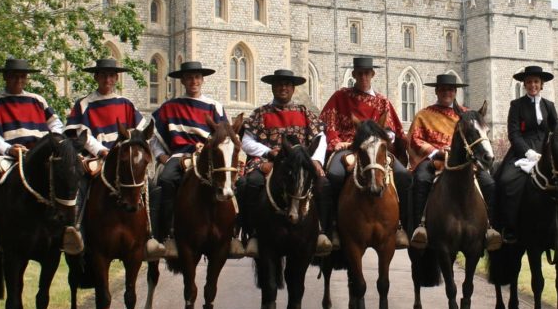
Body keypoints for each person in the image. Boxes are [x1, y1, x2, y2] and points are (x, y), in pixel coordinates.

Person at [0, 58, 76, 257]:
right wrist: (8, 149)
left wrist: (47, 145)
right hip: (6, 156)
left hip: (37, 156)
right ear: (5, 77)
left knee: (64, 174)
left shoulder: (37, 100)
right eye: (14, 76)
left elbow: (56, 126)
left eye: (22, 76)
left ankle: (66, 229)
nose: (18, 80)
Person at [65, 58, 161, 260]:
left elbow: (140, 132)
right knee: (80, 184)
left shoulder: (125, 104)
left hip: (123, 159)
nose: (107, 79)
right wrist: (102, 152)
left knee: (149, 187)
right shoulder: (84, 105)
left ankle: (151, 235)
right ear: (96, 77)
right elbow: (83, 134)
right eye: (103, 75)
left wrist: (132, 150)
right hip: (97, 158)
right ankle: (77, 231)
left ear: (116, 78)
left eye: (111, 75)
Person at [319, 56, 412, 248]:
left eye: (366, 74)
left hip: (376, 149)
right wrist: (336, 141)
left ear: (372, 75)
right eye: (359, 73)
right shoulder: (340, 97)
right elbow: (327, 123)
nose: (363, 77)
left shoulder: (382, 102)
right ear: (353, 74)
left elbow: (391, 131)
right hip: (347, 147)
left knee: (403, 175)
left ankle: (401, 226)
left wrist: (381, 140)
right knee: (334, 176)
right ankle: (333, 226)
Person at [238, 68, 331, 258]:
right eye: (279, 84)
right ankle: (252, 233)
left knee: (323, 184)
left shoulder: (304, 112)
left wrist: (315, 161)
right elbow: (246, 141)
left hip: (300, 165)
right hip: (266, 162)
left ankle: (320, 230)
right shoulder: (260, 113)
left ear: (293, 89)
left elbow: (320, 137)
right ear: (272, 87)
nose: (283, 88)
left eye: (287, 84)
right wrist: (267, 152)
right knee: (250, 183)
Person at [408, 74, 502, 251]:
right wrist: (436, 152)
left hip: (466, 162)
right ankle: (420, 228)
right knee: (421, 180)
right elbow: (415, 139)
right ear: (436, 91)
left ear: (455, 92)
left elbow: (479, 137)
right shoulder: (424, 115)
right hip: (434, 160)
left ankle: (490, 229)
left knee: (489, 183)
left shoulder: (468, 116)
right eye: (443, 89)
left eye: (450, 89)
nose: (447, 93)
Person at [149, 60, 231, 260]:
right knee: (166, 180)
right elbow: (153, 137)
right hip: (179, 156)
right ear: (183, 81)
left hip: (209, 157)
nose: (193, 81)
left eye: (196, 77)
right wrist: (162, 157)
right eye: (189, 77)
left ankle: (232, 234)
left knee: (228, 182)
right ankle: (166, 232)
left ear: (202, 80)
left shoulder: (214, 106)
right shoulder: (170, 107)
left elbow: (224, 135)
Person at [495, 65, 558, 243]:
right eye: (529, 82)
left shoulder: (550, 106)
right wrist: (527, 152)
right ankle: (509, 226)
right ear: (525, 85)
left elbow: (556, 130)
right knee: (506, 180)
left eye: (536, 82)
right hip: (522, 150)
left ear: (542, 85)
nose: (533, 85)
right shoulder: (516, 105)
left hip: (547, 151)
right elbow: (514, 133)